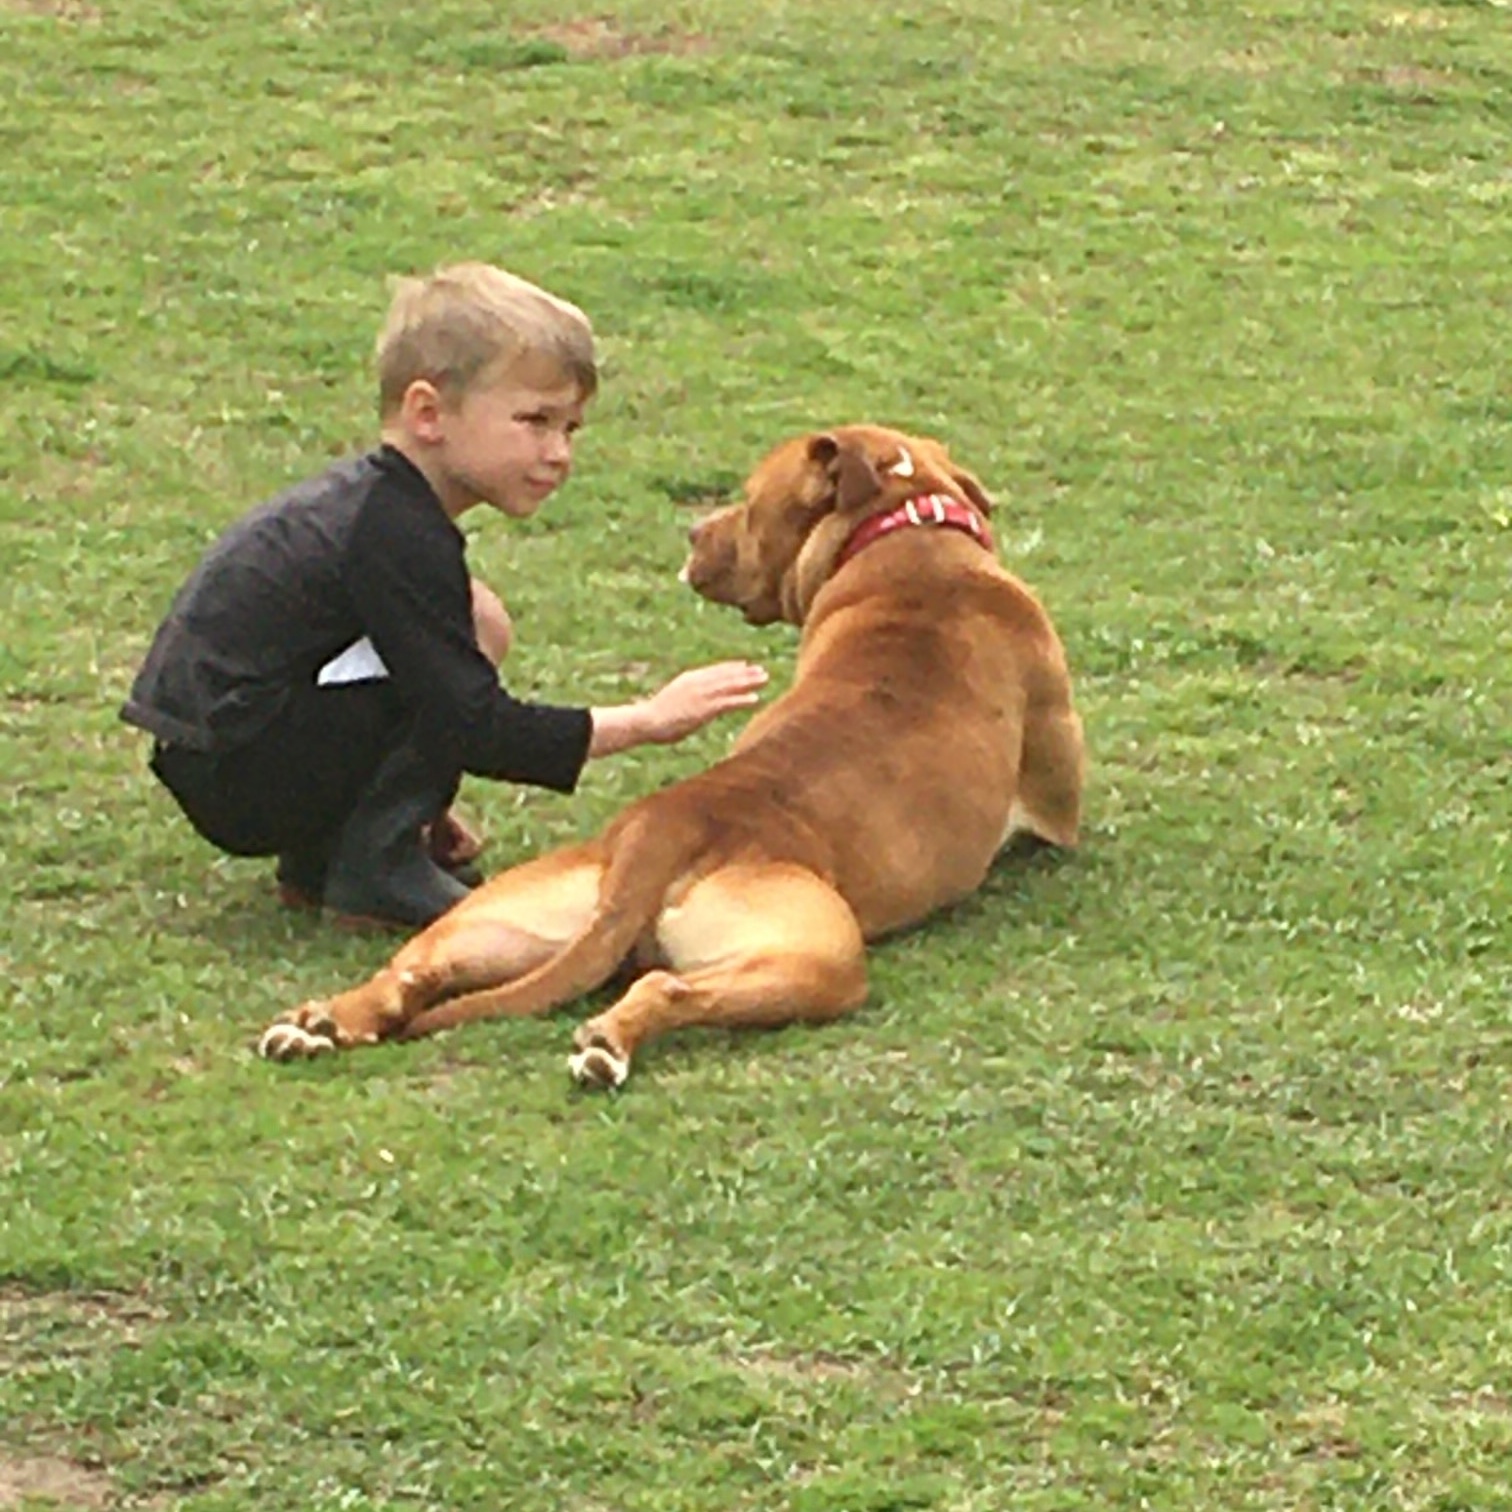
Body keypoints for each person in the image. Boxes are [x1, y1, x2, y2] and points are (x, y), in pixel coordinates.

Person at [121, 261, 767, 928]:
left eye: (570, 428)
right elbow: (474, 725)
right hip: (242, 777)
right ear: (427, 413)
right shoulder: (394, 532)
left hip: (223, 756)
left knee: (476, 617)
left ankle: (338, 855)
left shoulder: (378, 505)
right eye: (536, 421)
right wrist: (648, 720)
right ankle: (373, 869)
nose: (559, 453)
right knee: (451, 664)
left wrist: (406, 797)